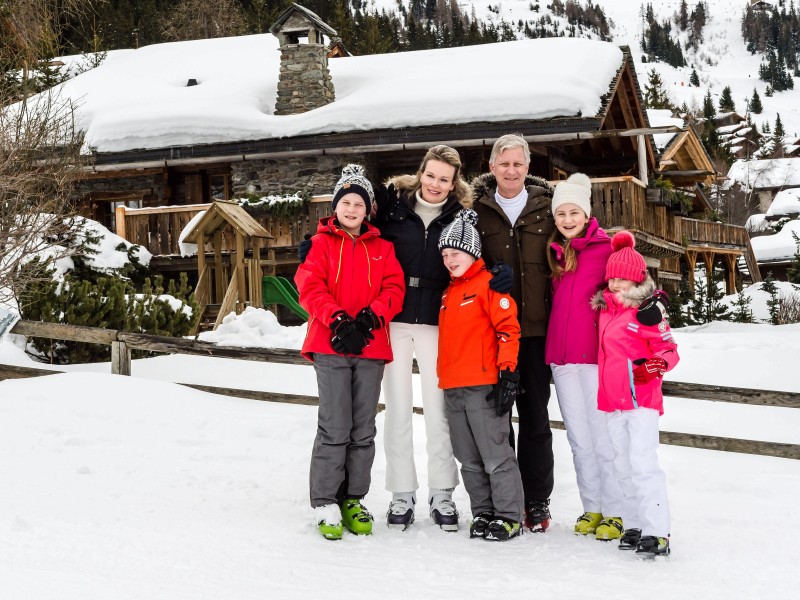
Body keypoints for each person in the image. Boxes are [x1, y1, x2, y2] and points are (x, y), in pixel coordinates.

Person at [295, 164, 405, 540]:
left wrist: (371, 319)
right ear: (336, 206)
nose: (352, 209)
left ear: (368, 209)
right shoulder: (320, 244)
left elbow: (394, 288)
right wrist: (339, 321)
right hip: (330, 343)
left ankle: (353, 497)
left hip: (371, 346)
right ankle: (325, 499)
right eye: (346, 202)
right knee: (335, 425)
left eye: (359, 203)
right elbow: (310, 287)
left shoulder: (383, 248)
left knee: (362, 428)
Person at [372, 145, 474, 531]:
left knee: (438, 409)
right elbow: (357, 231)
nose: (435, 184)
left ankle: (442, 492)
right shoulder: (393, 209)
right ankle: (401, 493)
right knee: (397, 408)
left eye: (444, 179)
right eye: (430, 176)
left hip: (437, 320)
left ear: (454, 182)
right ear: (421, 173)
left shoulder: (461, 217)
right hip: (395, 319)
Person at [471, 134, 556, 532]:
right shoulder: (477, 211)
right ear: (492, 167)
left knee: (536, 420)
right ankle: (507, 498)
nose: (510, 170)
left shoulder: (548, 209)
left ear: (527, 167)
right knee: (498, 421)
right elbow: (457, 261)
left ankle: (536, 499)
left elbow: (574, 252)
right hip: (493, 335)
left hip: (537, 333)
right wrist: (489, 276)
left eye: (517, 164)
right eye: (503, 164)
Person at [545, 173, 625, 540]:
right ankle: (591, 507)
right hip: (561, 360)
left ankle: (616, 510)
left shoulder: (606, 249)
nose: (566, 219)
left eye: (573, 211)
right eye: (560, 213)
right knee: (578, 437)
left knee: (602, 436)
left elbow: (631, 287)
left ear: (586, 212)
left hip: (594, 358)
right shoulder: (557, 252)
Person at [436, 209, 524, 541]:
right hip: (452, 387)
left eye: (455, 253)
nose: (449, 260)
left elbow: (508, 330)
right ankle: (483, 511)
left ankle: (508, 514)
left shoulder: (489, 283)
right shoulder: (448, 292)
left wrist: (508, 374)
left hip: (483, 386)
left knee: (494, 455)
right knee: (469, 459)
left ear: (472, 251)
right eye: (445, 254)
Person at [591, 230, 679, 557]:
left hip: (641, 402)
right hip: (612, 401)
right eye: (611, 278)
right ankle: (634, 524)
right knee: (621, 464)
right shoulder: (605, 309)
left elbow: (669, 348)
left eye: (622, 279)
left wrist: (657, 365)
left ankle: (657, 532)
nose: (615, 284)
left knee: (642, 463)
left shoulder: (647, 312)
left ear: (637, 279)